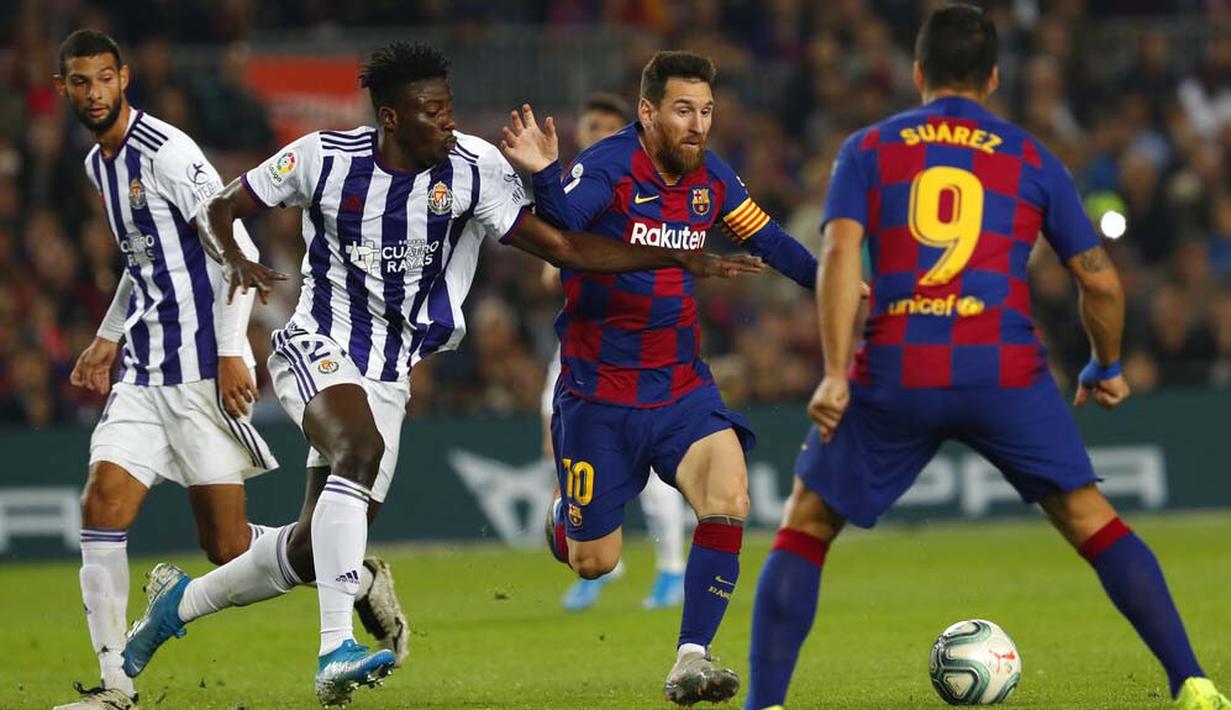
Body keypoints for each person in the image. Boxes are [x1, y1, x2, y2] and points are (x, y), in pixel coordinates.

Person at [120, 42, 762, 708]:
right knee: (357, 451)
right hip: (317, 341)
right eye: (432, 112)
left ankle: (173, 610)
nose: (447, 123)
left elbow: (564, 245)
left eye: (449, 109)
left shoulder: (475, 169)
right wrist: (235, 262)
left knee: (316, 549)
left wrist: (673, 257)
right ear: (391, 118)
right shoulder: (322, 157)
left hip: (390, 372)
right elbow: (221, 206)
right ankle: (334, 649)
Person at [742, 6, 1230, 710]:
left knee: (808, 523)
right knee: (1090, 517)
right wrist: (1106, 363)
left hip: (897, 362)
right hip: (999, 364)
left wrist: (832, 367)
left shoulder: (869, 149)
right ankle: (1192, 682)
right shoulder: (1030, 156)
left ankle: (766, 705)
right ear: (994, 78)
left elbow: (842, 256)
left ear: (917, 74)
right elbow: (1097, 279)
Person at [502, 50, 819, 705]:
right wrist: (544, 175)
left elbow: (772, 242)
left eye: (705, 111)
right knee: (596, 560)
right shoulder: (611, 165)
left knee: (728, 497)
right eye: (682, 110)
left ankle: (691, 657)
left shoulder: (713, 178)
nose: (696, 124)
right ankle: (568, 522)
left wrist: (841, 286)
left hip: (679, 386)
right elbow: (561, 231)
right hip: (597, 395)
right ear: (648, 112)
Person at [50, 29, 281, 710]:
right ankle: (115, 685)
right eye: (80, 82)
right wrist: (107, 335)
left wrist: (232, 347)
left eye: (103, 79)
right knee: (100, 503)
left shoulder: (169, 154)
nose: (93, 93)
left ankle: (337, 562)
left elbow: (235, 241)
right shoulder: (99, 164)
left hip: (198, 377)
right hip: (143, 374)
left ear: (124, 78)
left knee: (227, 546)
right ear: (64, 87)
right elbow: (145, 260)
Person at [538, 92, 690, 613]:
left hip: (637, 349)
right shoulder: (576, 187)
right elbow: (548, 267)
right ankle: (605, 558)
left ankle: (671, 568)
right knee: (562, 453)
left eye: (608, 124)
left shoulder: (637, 184)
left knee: (648, 462)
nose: (599, 132)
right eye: (591, 123)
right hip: (581, 345)